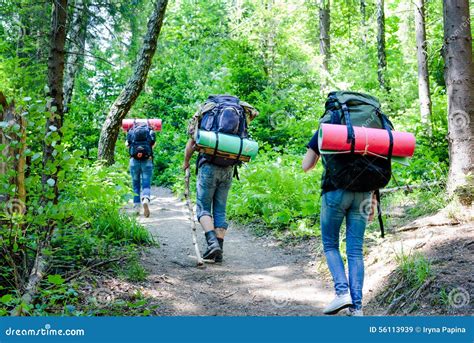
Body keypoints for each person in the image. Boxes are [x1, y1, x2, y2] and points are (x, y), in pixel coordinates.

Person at [302, 130, 376, 317]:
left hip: (335, 191)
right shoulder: (371, 131)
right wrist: (373, 199)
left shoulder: (329, 127)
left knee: (330, 245)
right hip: (365, 193)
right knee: (355, 250)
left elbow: (306, 165)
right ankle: (357, 307)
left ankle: (342, 293)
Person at [183, 95, 258, 263]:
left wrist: (186, 162)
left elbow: (191, 142)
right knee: (220, 209)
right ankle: (219, 250)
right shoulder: (241, 111)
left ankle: (212, 244)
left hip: (208, 165)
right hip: (229, 167)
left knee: (202, 208)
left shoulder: (206, 110)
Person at [126, 121, 156, 217]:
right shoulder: (150, 131)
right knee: (146, 184)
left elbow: (127, 145)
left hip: (134, 161)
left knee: (136, 185)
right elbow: (153, 145)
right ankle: (146, 199)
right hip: (147, 160)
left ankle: (136, 208)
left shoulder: (131, 131)